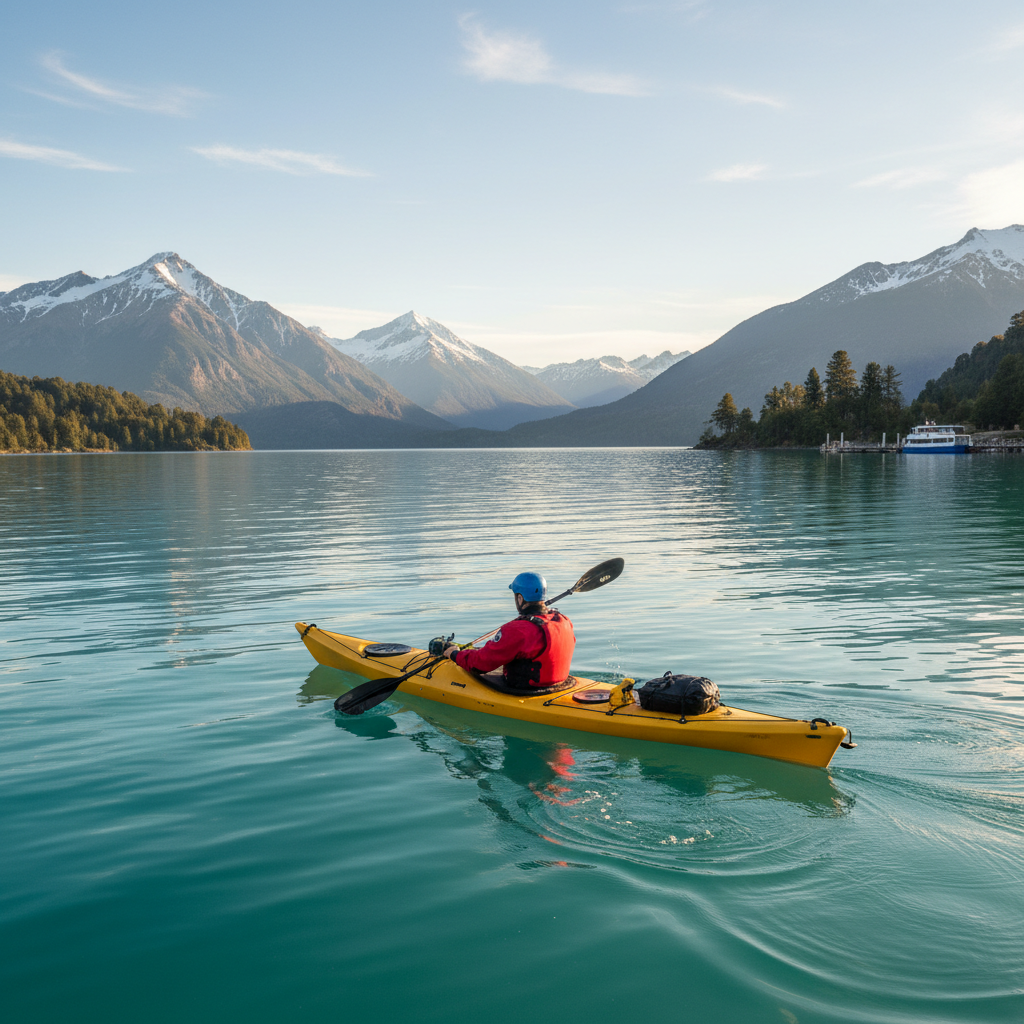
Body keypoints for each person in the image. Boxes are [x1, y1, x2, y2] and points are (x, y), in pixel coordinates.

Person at [444, 571, 576, 689]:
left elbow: (480, 664)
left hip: (526, 689)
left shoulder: (517, 630)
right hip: (560, 685)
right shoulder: (564, 620)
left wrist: (454, 654)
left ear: (520, 598)